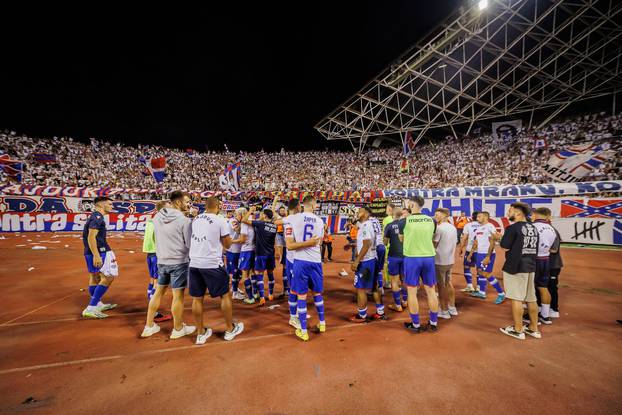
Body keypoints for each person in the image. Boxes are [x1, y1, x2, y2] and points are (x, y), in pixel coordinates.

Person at [141, 191, 196, 339]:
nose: (188, 205)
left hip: (162, 261)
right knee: (177, 296)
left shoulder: (157, 216)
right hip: (178, 262)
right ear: (178, 203)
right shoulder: (184, 221)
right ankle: (178, 329)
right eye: (186, 202)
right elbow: (189, 244)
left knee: (158, 292)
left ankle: (149, 326)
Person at [188, 197, 244, 344]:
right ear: (218, 206)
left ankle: (200, 333)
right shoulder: (220, 220)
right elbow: (227, 245)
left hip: (194, 262)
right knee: (225, 296)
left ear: (205, 206)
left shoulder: (196, 219)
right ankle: (230, 329)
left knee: (197, 298)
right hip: (212, 263)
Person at [499, 202, 541, 340]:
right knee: (531, 298)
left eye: (510, 211)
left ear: (518, 213)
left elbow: (504, 246)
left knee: (516, 297)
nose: (507, 213)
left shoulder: (513, 228)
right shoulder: (533, 228)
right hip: (530, 265)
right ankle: (533, 328)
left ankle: (518, 330)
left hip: (515, 266)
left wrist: (496, 238)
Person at [286, 195, 325, 341]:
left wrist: (305, 243)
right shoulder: (320, 221)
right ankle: (322, 323)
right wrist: (310, 243)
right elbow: (318, 243)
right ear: (314, 205)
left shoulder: (294, 219)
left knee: (301, 295)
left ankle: (303, 331)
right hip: (316, 261)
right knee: (317, 293)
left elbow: (289, 245)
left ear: (302, 205)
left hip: (300, 261)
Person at [402, 196, 439, 333]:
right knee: (431, 290)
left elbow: (401, 239)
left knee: (412, 291)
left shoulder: (404, 221)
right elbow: (431, 236)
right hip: (428, 257)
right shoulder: (432, 220)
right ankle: (433, 322)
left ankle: (416, 325)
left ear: (412, 205)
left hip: (412, 258)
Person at [81, 196, 118, 319]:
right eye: (110, 204)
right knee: (108, 277)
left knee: (94, 276)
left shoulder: (95, 216)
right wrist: (97, 255)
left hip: (89, 251)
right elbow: (91, 237)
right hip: (99, 251)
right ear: (101, 205)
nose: (112, 206)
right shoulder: (97, 217)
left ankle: (97, 303)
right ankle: (91, 307)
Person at [350, 206, 385, 323]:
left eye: (360, 211)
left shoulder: (366, 225)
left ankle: (362, 315)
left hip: (366, 262)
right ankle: (380, 312)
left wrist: (357, 260)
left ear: (365, 214)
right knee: (374, 286)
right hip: (373, 258)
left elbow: (366, 244)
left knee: (360, 288)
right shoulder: (367, 224)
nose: (357, 213)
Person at [240, 203, 281, 304]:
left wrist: (250, 211)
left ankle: (262, 296)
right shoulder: (274, 226)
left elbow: (244, 220)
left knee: (259, 274)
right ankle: (271, 294)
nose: (260, 215)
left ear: (265, 216)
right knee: (270, 274)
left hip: (261, 254)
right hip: (271, 253)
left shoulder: (260, 224)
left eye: (262, 214)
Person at [142, 200, 172, 322]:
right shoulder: (161, 222)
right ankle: (153, 313)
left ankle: (152, 307)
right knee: (158, 284)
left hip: (150, 254)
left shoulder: (152, 220)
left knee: (152, 280)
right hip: (157, 255)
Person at [467, 212, 506, 304]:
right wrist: (470, 254)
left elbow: (493, 242)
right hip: (479, 253)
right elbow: (476, 242)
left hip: (487, 254)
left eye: (479, 216)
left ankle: (501, 293)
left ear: (485, 217)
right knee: (480, 271)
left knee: (485, 273)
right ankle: (481, 292)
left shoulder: (490, 226)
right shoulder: (478, 228)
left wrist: (488, 256)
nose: (477, 218)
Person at [531, 207, 557, 325]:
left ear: (535, 215)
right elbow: (554, 249)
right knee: (543, 287)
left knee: (530, 289)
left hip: (533, 260)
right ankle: (545, 316)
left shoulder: (533, 227)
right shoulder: (552, 229)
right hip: (545, 259)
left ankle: (532, 318)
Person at [434, 208, 458, 319]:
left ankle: (444, 311)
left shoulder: (439, 228)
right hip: (449, 260)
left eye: (437, 214)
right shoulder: (452, 227)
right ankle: (452, 308)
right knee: (448, 283)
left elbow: (434, 245)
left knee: (441, 286)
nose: (435, 216)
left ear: (444, 215)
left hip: (440, 261)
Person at [283, 198, 302, 328]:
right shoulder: (290, 222)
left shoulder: (294, 220)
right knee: (294, 289)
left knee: (301, 287)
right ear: (297, 207)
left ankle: (297, 313)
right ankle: (293, 316)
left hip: (300, 259)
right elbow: (289, 245)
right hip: (293, 259)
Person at [384, 207, 407, 312]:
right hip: (405, 255)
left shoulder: (389, 226)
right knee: (404, 279)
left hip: (393, 255)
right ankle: (405, 301)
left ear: (392, 215)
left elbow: (385, 242)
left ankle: (397, 305)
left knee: (394, 280)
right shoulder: (405, 224)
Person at [237, 207, 258, 304]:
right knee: (253, 272)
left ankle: (250, 297)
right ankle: (255, 293)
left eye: (237, 214)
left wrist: (231, 241)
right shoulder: (252, 221)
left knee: (245, 274)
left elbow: (242, 240)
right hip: (253, 249)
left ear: (241, 214)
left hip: (246, 250)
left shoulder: (244, 224)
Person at [458, 211, 480, 293]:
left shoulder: (468, 225)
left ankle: (470, 286)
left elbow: (464, 238)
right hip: (481, 251)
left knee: (466, 267)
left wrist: (460, 248)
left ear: (472, 217)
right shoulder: (484, 225)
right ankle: (479, 287)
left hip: (470, 249)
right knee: (480, 269)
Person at [226, 208, 244, 300]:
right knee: (236, 272)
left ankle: (234, 287)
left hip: (237, 249)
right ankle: (235, 292)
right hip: (233, 250)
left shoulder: (236, 221)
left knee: (239, 272)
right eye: (244, 214)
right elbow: (237, 230)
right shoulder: (233, 220)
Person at [548, 215, 563, 319]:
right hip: (545, 264)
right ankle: (541, 306)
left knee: (552, 287)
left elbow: (554, 250)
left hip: (553, 265)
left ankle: (554, 308)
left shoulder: (553, 231)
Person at [369, 214, 387, 296]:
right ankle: (380, 288)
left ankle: (372, 289)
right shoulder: (376, 220)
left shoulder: (367, 222)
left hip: (375, 247)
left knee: (372, 268)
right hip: (382, 247)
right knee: (379, 269)